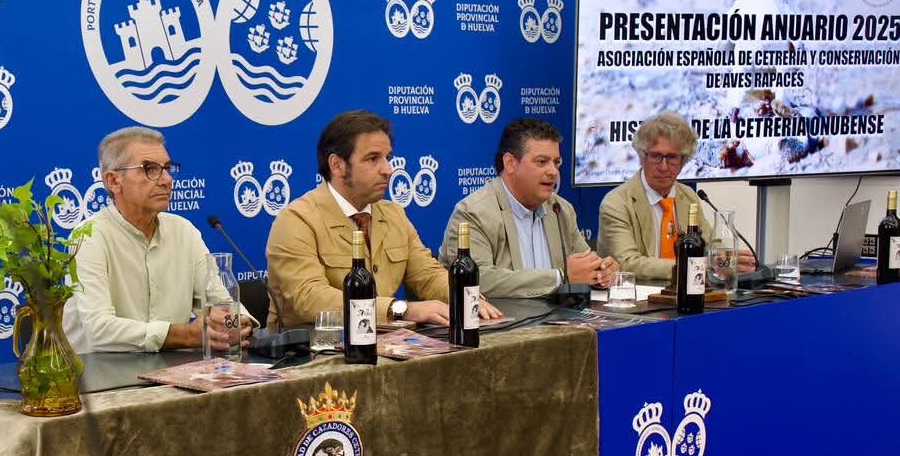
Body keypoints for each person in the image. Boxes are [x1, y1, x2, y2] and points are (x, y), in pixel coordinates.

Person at [265, 110, 502, 327]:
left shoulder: (393, 214)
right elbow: (309, 298)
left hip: (385, 345)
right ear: (337, 165)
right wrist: (399, 309)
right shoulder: (296, 220)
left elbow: (427, 275)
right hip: (311, 353)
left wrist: (467, 298)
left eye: (387, 157)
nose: (388, 169)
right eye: (372, 159)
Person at [65, 127, 253, 353]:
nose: (167, 180)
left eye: (167, 168)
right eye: (150, 169)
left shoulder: (184, 231)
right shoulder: (88, 237)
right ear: (114, 181)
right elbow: (99, 331)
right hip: (101, 378)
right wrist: (186, 335)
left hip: (173, 372)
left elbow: (223, 304)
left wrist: (237, 324)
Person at [441, 118, 616, 298]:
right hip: (506, 323)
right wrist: (560, 278)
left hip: (560, 320)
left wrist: (600, 272)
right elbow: (477, 280)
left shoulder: (560, 209)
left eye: (556, 163)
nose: (553, 172)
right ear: (510, 163)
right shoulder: (473, 213)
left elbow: (584, 267)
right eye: (541, 162)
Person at [597, 112, 707, 284]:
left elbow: (710, 246)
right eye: (655, 156)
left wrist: (726, 259)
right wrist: (689, 266)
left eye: (672, 157)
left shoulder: (689, 197)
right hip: (633, 302)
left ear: (683, 161)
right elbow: (628, 264)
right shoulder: (616, 203)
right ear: (642, 157)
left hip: (686, 296)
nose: (663, 167)